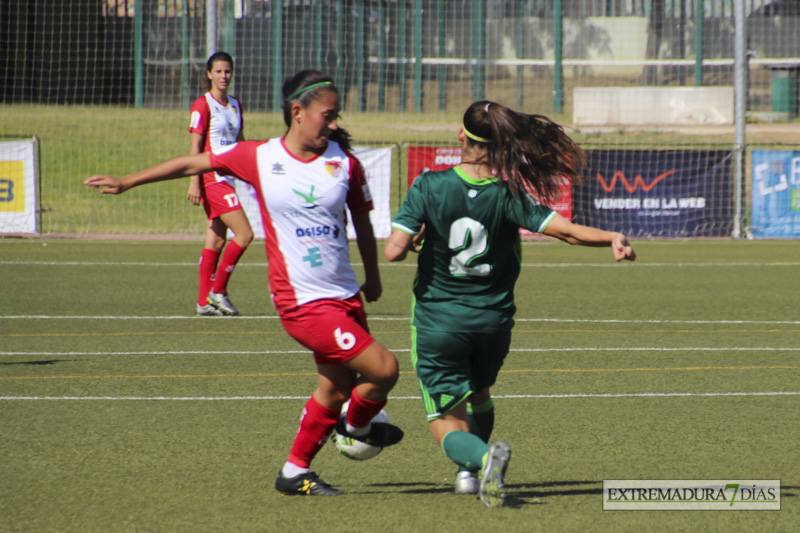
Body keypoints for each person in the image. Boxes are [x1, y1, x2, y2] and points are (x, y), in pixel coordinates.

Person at [85, 70, 404, 496]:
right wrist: (128, 181)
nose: (333, 123)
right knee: (385, 369)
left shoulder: (344, 162)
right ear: (297, 112)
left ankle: (294, 472)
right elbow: (191, 163)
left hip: (344, 296)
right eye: (327, 115)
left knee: (333, 388)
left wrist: (373, 276)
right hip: (302, 303)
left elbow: (362, 223)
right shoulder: (259, 156)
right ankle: (358, 425)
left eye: (336, 116)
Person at [384, 100, 636, 507]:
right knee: (479, 394)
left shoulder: (428, 185)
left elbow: (393, 252)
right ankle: (469, 474)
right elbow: (567, 232)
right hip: (492, 323)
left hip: (439, 321)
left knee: (445, 423)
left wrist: (415, 240)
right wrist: (611, 238)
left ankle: (482, 459)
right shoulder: (508, 194)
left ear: (460, 137)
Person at [187, 51, 253, 316]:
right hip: (212, 179)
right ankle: (219, 291)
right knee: (245, 234)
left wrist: (250, 173)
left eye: (227, 71)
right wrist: (194, 182)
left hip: (229, 178)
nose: (224, 76)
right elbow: (195, 146)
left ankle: (204, 302)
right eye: (218, 71)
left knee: (215, 242)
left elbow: (241, 141)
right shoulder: (202, 105)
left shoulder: (235, 104)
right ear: (209, 74)